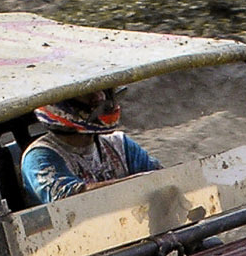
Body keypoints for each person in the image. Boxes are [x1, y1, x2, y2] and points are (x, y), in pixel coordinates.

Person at [20, 88, 161, 205]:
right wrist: (142, 181)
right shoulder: (39, 156)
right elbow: (68, 202)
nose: (100, 97)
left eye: (101, 89)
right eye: (86, 92)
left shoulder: (120, 144)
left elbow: (160, 178)